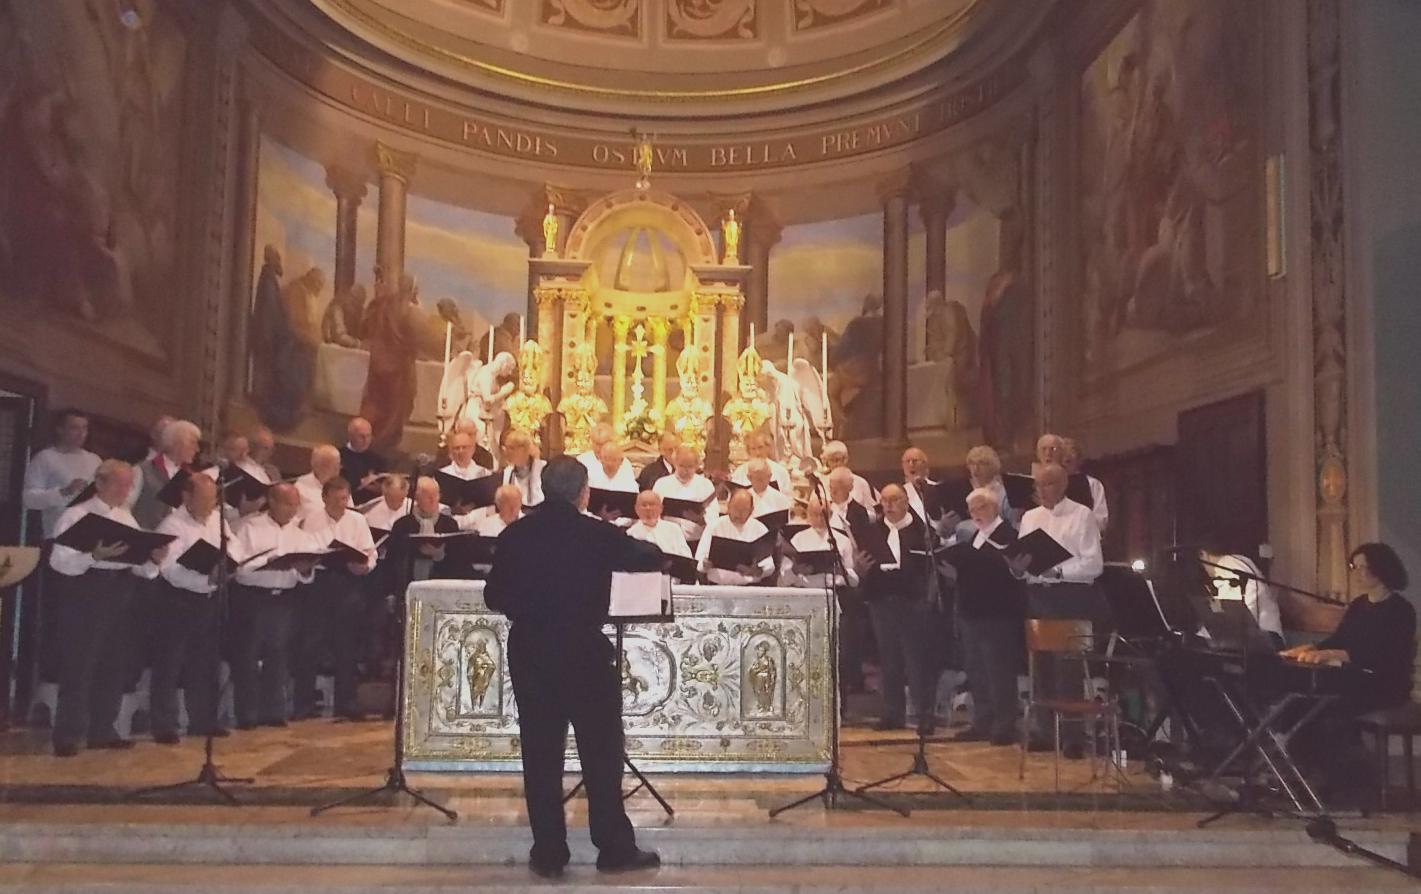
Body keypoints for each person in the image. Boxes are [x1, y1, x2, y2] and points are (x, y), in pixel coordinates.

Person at [484, 457, 662, 878]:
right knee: (601, 751)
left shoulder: (515, 535)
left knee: (540, 753)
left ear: (544, 490)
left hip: (532, 651)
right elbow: (650, 556)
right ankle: (613, 847)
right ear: (584, 493)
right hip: (583, 651)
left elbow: (494, 597)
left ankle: (549, 851)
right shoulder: (596, 534)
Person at [48, 459, 166, 756]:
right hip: (86, 595)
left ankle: (102, 729)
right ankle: (68, 734)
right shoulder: (76, 515)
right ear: (100, 483)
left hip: (121, 595)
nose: (126, 491)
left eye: (129, 485)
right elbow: (59, 562)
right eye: (120, 484)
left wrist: (152, 558)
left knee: (114, 664)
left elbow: (139, 566)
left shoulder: (125, 517)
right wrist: (93, 556)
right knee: (80, 665)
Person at [1012, 462, 1106, 757]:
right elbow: (1024, 557)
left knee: (1069, 668)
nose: (1041, 490)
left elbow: (1094, 564)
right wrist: (1018, 568)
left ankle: (1072, 735)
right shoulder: (1030, 517)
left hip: (1071, 596)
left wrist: (1059, 572)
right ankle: (1044, 731)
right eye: (1037, 485)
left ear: (1063, 485)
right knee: (1041, 666)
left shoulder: (1082, 514)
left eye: (1048, 484)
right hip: (1038, 595)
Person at [1282, 544, 1416, 714]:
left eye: (1362, 567)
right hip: (1357, 676)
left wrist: (1335, 654)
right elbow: (1339, 639)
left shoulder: (1401, 610)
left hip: (1385, 684)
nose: (1356, 573)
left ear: (1380, 569)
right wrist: (1311, 648)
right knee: (1302, 693)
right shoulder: (1358, 605)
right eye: (1354, 567)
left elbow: (1386, 655)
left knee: (1320, 700)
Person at [229, 483, 320, 729]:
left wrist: (305, 569)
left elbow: (307, 570)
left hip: (284, 600)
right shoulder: (249, 527)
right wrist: (267, 562)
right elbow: (237, 566)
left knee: (278, 656)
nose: (292, 510)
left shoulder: (299, 533)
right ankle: (247, 714)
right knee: (248, 657)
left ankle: (273, 712)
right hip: (253, 598)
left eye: (295, 505)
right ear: (272, 501)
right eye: (288, 504)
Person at [146, 473, 226, 744]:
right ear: (186, 497)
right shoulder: (172, 525)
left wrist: (225, 568)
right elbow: (169, 569)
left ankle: (202, 720)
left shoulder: (217, 520)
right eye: (205, 499)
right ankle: (164, 725)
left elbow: (234, 547)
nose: (210, 505)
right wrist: (206, 577)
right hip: (177, 600)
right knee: (170, 663)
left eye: (213, 499)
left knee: (204, 663)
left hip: (208, 600)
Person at [855, 483, 937, 734]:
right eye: (885, 500)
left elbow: (930, 568)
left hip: (912, 600)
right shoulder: (872, 531)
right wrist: (861, 569)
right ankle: (893, 712)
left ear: (906, 502)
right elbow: (864, 565)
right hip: (882, 599)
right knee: (889, 658)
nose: (889, 505)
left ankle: (924, 715)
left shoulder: (922, 531)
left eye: (895, 499)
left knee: (916, 661)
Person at [949, 487, 1025, 746]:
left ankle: (1004, 724)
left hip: (998, 613)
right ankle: (982, 720)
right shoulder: (975, 536)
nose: (975, 513)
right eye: (971, 510)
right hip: (971, 612)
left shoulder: (1008, 536)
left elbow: (1013, 574)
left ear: (994, 507)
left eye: (981, 507)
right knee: (976, 669)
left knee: (999, 671)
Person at [298, 477, 377, 720]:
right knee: (311, 644)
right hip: (320, 583)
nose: (341, 504)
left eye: (345, 498)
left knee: (347, 644)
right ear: (325, 498)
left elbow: (370, 552)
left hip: (348, 582)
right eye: (336, 499)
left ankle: (347, 702)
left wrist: (365, 566)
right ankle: (304, 703)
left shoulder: (357, 520)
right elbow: (305, 549)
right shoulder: (311, 520)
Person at [22, 408, 101, 541]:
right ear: (60, 430)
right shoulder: (45, 458)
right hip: (58, 534)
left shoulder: (95, 460)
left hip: (91, 534)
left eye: (84, 428)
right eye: (74, 428)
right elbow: (29, 499)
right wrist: (64, 491)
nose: (81, 434)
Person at [1199, 541, 1284, 647]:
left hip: (1264, 641)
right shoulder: (1239, 561)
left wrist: (1202, 635)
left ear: (1204, 554)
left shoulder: (1228, 564)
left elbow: (1233, 615)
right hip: (1262, 638)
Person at [387, 477, 461, 586]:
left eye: (436, 495)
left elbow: (458, 562)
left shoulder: (449, 524)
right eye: (427, 496)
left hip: (442, 585)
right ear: (416, 497)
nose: (432, 499)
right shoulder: (403, 525)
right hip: (408, 584)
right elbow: (392, 561)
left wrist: (439, 555)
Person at [132, 418, 201, 530]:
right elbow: (125, 507)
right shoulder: (144, 470)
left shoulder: (191, 478)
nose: (197, 449)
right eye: (193, 443)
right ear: (176, 443)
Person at [696, 489, 774, 586]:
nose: (738, 514)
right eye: (736, 508)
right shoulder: (714, 526)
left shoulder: (759, 528)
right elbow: (699, 560)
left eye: (743, 510)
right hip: (718, 586)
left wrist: (758, 571)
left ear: (751, 510)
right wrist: (705, 564)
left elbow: (769, 564)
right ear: (728, 506)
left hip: (749, 588)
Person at [780, 498, 857, 591]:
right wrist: (795, 571)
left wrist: (842, 572)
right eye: (815, 514)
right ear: (808, 515)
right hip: (805, 592)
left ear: (830, 515)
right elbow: (784, 579)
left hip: (835, 591)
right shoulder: (797, 539)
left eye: (823, 515)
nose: (819, 519)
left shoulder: (843, 540)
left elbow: (854, 580)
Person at [651, 446, 717, 545]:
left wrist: (700, 520)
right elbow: (653, 510)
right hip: (667, 540)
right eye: (681, 466)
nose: (685, 470)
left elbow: (713, 515)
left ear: (697, 465)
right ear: (675, 463)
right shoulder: (662, 483)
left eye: (690, 466)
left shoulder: (705, 485)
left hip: (696, 540)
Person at [1061, 437, 1108, 533]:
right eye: (1062, 459)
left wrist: (1078, 525)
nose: (1065, 463)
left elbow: (1101, 518)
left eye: (1069, 460)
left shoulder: (1092, 484)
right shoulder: (1051, 485)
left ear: (1079, 460)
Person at [626, 491, 692, 559]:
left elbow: (686, 556)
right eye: (644, 505)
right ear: (636, 509)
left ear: (661, 508)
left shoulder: (674, 529)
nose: (648, 508)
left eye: (652, 504)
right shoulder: (630, 534)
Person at [340, 416, 388, 506]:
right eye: (361, 436)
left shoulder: (377, 459)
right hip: (349, 503)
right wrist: (361, 482)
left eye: (368, 436)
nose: (366, 440)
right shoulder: (339, 456)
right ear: (350, 436)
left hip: (374, 504)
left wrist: (382, 488)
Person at [731, 426, 793, 493]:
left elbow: (788, 497)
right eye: (753, 449)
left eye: (760, 447)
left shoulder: (781, 472)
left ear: (768, 448)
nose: (757, 453)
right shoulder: (739, 473)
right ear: (748, 451)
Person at [819, 440, 877, 510]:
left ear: (846, 459)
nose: (836, 464)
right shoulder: (821, 483)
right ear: (827, 462)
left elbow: (870, 512)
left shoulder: (861, 483)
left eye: (839, 459)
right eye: (832, 460)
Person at [497, 428, 545, 508]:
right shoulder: (508, 472)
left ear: (524, 449)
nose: (507, 452)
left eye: (511, 448)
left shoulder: (543, 468)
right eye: (506, 447)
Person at [295, 444, 343, 523]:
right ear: (317, 466)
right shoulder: (300, 488)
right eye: (333, 466)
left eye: (338, 465)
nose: (337, 471)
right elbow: (293, 520)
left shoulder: (342, 485)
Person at [742, 458, 791, 522]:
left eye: (765, 478)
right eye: (758, 479)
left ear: (770, 476)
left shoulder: (781, 499)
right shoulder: (742, 499)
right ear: (749, 478)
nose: (762, 482)